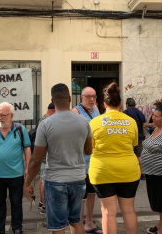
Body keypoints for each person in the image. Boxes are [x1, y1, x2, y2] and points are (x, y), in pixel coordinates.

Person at [24, 83, 92, 234]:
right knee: (76, 221)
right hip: (79, 178)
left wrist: (28, 182)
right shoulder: (83, 122)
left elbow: (36, 159)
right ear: (69, 98)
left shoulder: (46, 124)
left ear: (52, 100)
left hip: (56, 180)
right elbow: (88, 150)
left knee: (58, 227)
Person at [89, 82, 141, 234]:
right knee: (129, 211)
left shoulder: (95, 122)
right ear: (120, 104)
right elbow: (133, 144)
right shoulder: (131, 122)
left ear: (104, 104)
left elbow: (90, 149)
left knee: (108, 213)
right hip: (128, 170)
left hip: (102, 170)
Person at [0, 102, 31, 234]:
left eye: (3, 115)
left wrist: (28, 168)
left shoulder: (20, 130)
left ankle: (17, 228)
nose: (0, 117)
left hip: (16, 175)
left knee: (16, 203)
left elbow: (27, 148)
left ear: (11, 115)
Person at [72, 86, 102, 234]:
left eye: (94, 96)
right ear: (81, 97)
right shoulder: (76, 111)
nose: (91, 99)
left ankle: (89, 223)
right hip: (81, 162)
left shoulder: (96, 109)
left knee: (92, 194)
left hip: (95, 161)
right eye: (88, 96)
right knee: (81, 197)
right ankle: (79, 226)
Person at [141, 104, 162, 234]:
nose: (153, 118)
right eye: (153, 115)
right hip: (152, 173)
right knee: (158, 201)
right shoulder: (156, 129)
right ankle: (160, 224)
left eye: (156, 116)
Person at [37, 102, 55, 215]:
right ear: (53, 110)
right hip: (46, 157)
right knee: (44, 180)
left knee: (41, 179)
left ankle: (41, 201)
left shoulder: (42, 119)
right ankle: (45, 205)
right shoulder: (47, 121)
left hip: (42, 156)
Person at [123, 97, 146, 180]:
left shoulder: (125, 113)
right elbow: (144, 125)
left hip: (130, 138)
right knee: (139, 155)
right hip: (140, 137)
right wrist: (144, 136)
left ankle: (130, 172)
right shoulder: (140, 113)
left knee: (129, 154)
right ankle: (142, 173)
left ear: (127, 105)